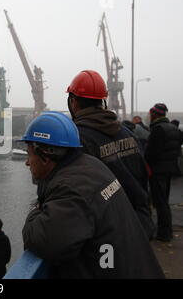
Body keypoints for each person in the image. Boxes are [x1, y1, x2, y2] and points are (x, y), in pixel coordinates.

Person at [20, 111, 164, 278]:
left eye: (29, 154)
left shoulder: (72, 188)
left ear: (45, 156)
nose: (27, 162)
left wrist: (35, 211)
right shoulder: (92, 165)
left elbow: (42, 241)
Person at [66, 70, 154, 239]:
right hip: (140, 225)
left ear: (73, 102)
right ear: (103, 101)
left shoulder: (76, 138)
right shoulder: (128, 133)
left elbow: (73, 195)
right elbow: (143, 176)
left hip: (108, 235)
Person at [145, 104, 182, 242]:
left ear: (155, 114)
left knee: (160, 203)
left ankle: (164, 233)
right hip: (169, 169)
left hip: (158, 170)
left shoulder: (158, 129)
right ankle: (166, 231)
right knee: (164, 201)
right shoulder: (174, 128)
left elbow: (152, 153)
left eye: (151, 113)